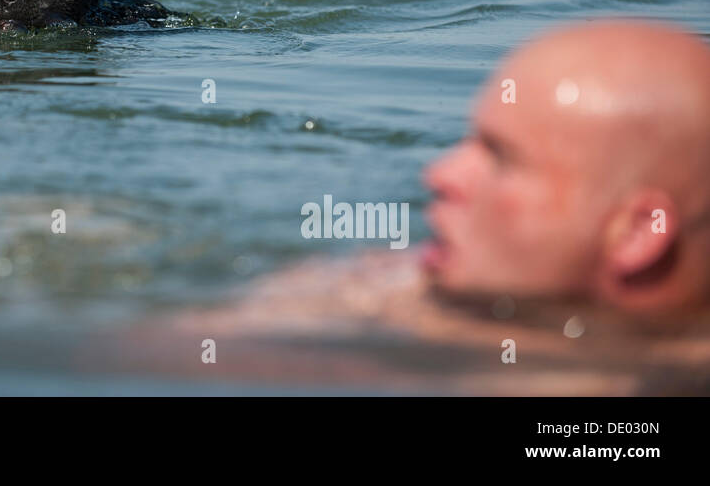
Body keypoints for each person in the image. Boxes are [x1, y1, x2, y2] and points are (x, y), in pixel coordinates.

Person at [108, 19, 710, 393]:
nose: (440, 172)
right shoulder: (389, 287)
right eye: (468, 142)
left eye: (502, 158)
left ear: (638, 233)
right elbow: (132, 349)